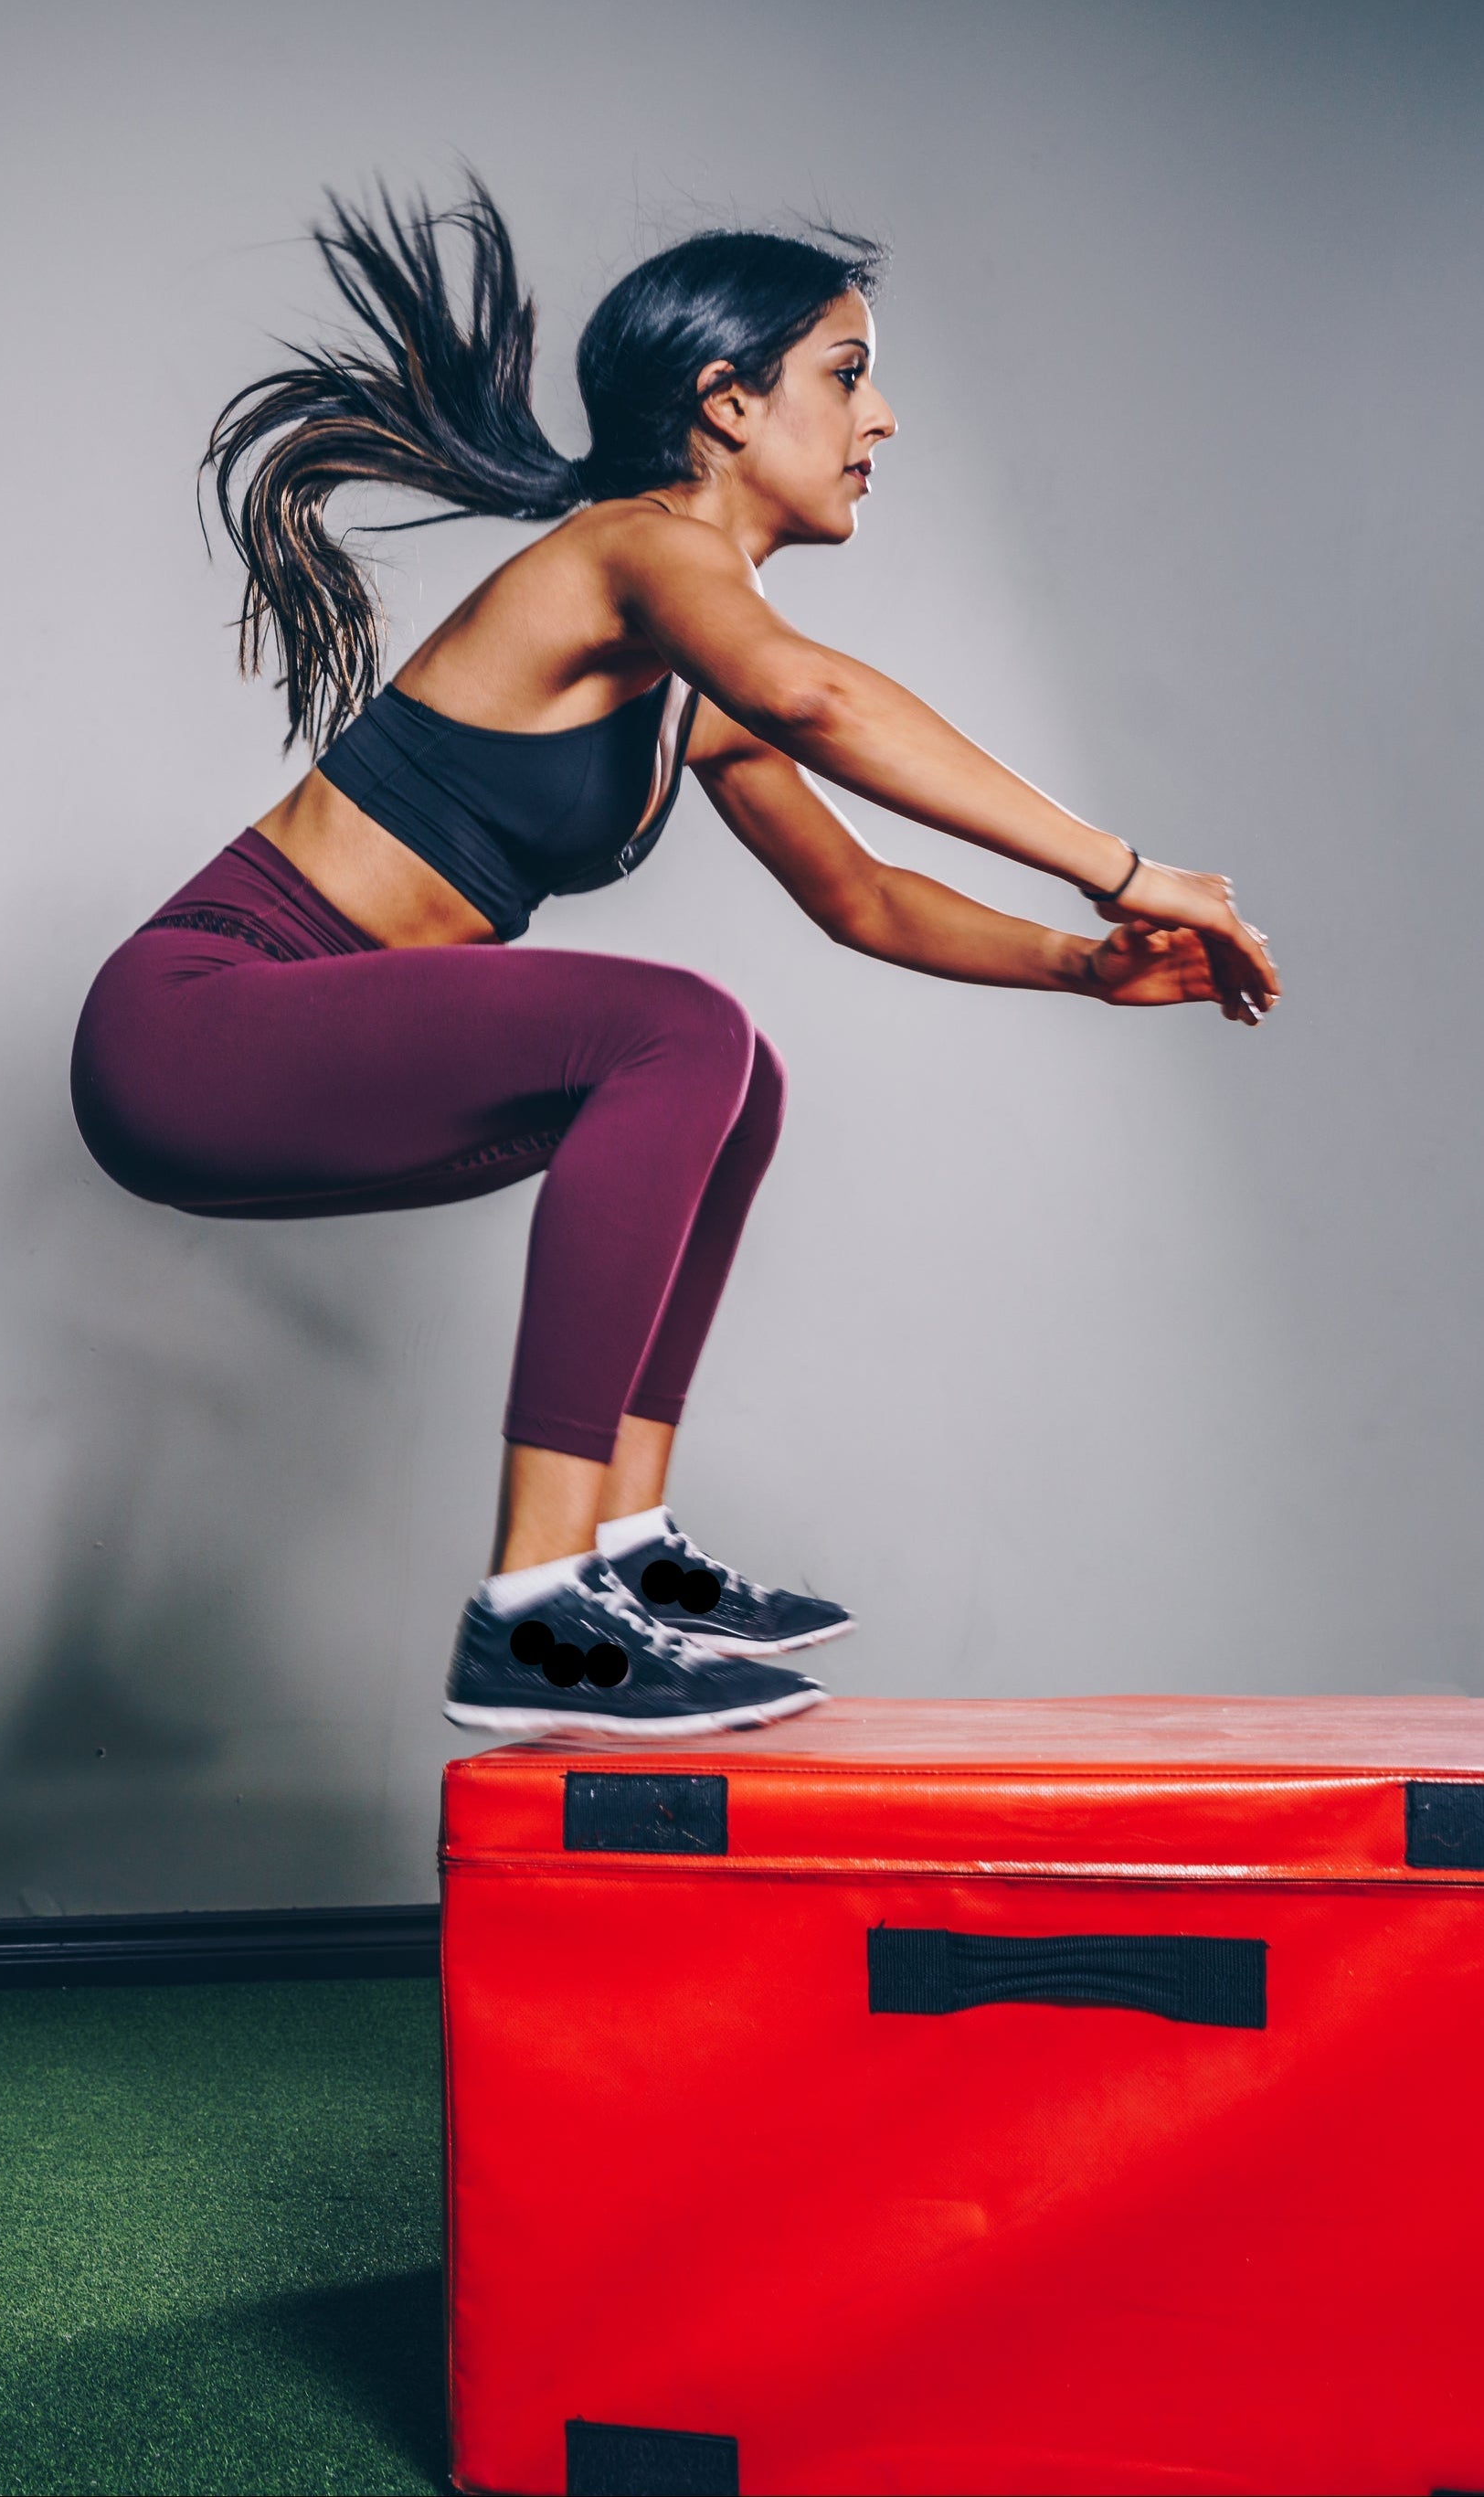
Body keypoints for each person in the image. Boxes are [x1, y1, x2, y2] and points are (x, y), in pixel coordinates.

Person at [70, 180, 1279, 1739]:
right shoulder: (626, 555)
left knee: (740, 1077)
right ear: (726, 401)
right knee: (676, 1028)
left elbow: (862, 898)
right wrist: (1132, 867)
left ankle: (620, 1556)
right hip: (195, 1023)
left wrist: (1080, 960)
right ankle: (532, 1607)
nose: (884, 418)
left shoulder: (678, 674)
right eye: (847, 374)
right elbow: (824, 704)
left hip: (261, 1055)